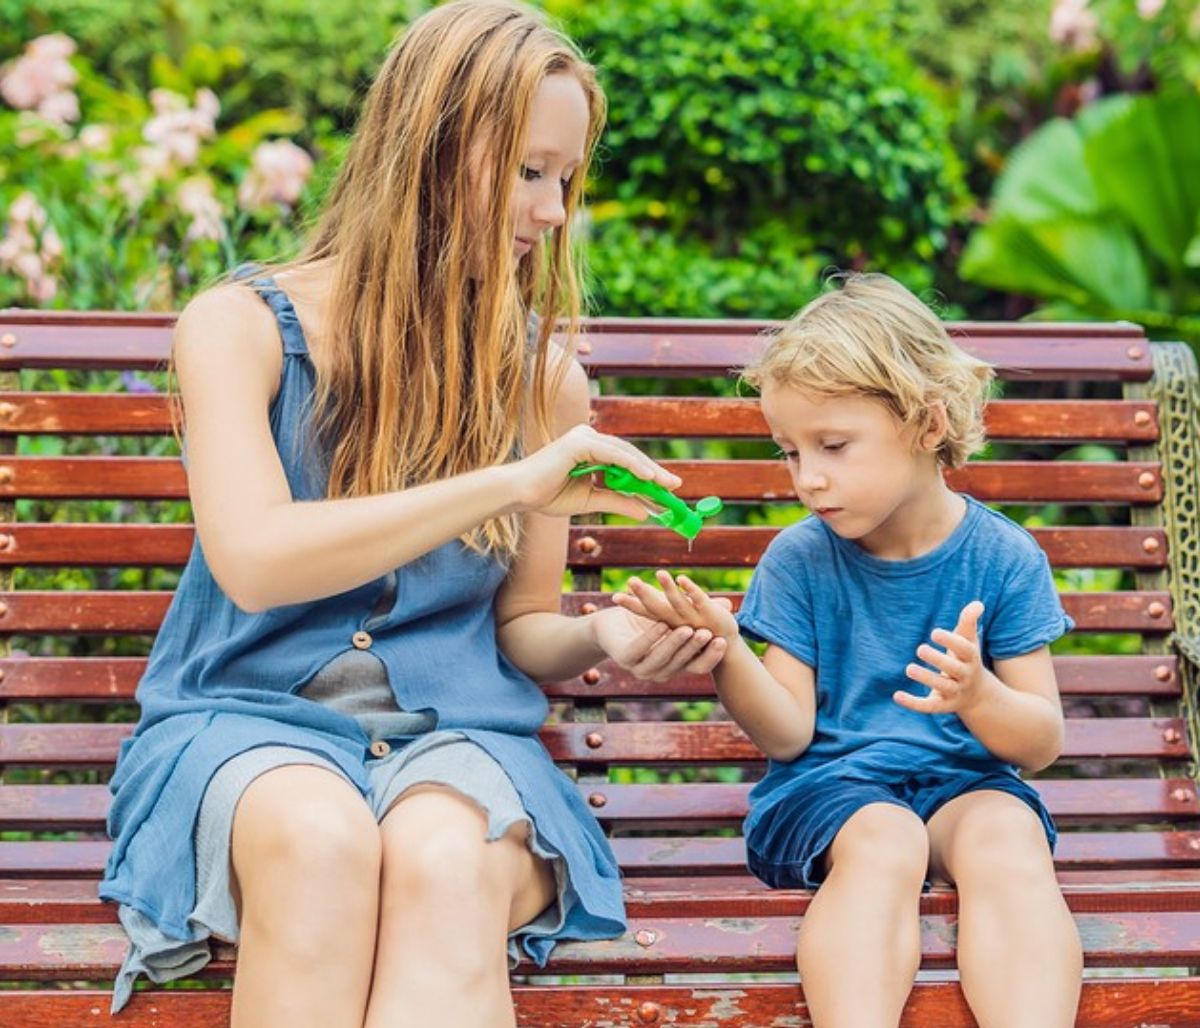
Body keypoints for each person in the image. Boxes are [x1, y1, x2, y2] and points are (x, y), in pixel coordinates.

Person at [98, 4, 727, 1025]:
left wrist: (606, 630)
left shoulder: (540, 383)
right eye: (529, 171)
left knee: (446, 859)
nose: (555, 210)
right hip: (244, 731)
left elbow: (522, 627)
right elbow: (254, 558)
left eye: (566, 178)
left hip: (457, 738)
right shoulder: (239, 328)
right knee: (321, 840)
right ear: (429, 152)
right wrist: (508, 484)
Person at [613, 273, 1083, 1027]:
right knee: (886, 836)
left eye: (832, 445)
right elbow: (790, 733)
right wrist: (728, 652)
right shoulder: (800, 560)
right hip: (831, 794)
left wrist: (980, 697)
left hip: (962, 789)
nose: (808, 478)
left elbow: (1041, 744)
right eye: (790, 452)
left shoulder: (1002, 557)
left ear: (928, 426)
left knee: (1010, 835)